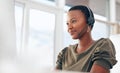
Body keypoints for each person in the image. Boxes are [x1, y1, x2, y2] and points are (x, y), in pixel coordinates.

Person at [55, 5, 117, 73]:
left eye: (73, 21)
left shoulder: (103, 45)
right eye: (67, 23)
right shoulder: (65, 53)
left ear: (89, 22)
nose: (69, 27)